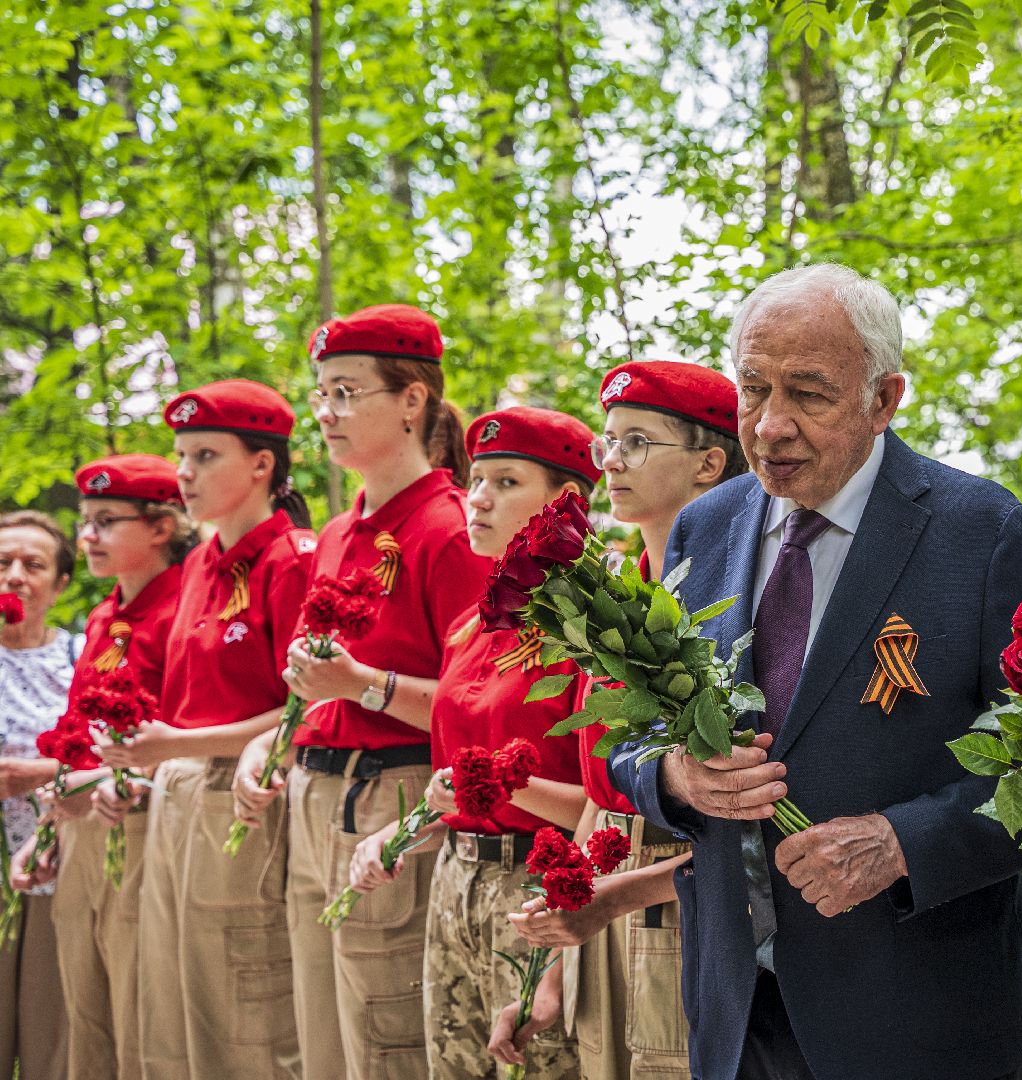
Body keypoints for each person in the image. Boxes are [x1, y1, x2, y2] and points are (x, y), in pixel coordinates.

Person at [608, 263, 1022, 1080]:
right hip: (734, 1010)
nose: (770, 425)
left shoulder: (984, 533)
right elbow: (634, 732)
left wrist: (901, 843)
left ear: (884, 399)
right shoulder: (701, 530)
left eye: (808, 394)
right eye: (752, 390)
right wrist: (674, 775)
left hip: (910, 1016)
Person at [231, 304, 489, 1079]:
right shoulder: (343, 531)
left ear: (412, 400)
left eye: (346, 391)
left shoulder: (450, 529)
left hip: (391, 795)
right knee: (320, 1034)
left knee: (388, 1037)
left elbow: (480, 700)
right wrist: (263, 746)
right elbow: (316, 684)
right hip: (313, 797)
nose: (326, 413)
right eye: (320, 393)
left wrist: (365, 687)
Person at [492, 360, 749, 1079]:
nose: (611, 460)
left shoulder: (739, 600)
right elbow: (603, 792)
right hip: (605, 884)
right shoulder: (616, 594)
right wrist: (547, 969)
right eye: (608, 440)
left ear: (709, 461)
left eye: (637, 440)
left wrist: (617, 896)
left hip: (684, 897)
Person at [344, 406, 598, 1079]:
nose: (476, 498)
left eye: (506, 482)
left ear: (564, 502)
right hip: (455, 882)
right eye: (476, 478)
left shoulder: (596, 629)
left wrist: (509, 787)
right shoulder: (473, 624)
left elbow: (607, 815)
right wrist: (408, 829)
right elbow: (458, 780)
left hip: (539, 893)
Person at [92, 381, 315, 1079]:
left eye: (206, 454)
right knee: (171, 1012)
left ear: (262, 465)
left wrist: (171, 747)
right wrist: (139, 765)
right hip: (177, 797)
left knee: (243, 1019)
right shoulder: (198, 566)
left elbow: (307, 708)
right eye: (181, 455)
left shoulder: (293, 558)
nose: (184, 472)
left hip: (244, 800)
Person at [11, 455, 192, 1080]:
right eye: (86, 521)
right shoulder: (103, 615)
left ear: (161, 526)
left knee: (142, 1019)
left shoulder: (185, 613)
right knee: (84, 1025)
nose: (87, 537)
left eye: (105, 521)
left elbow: (183, 738)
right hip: (79, 831)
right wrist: (46, 829)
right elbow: (78, 741)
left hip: (145, 832)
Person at [0, 510, 79, 1079]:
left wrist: (45, 770)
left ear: (60, 584)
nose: (14, 576)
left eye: (33, 564)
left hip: (57, 863)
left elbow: (114, 751)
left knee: (53, 1027)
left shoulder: (79, 657)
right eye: (2, 564)